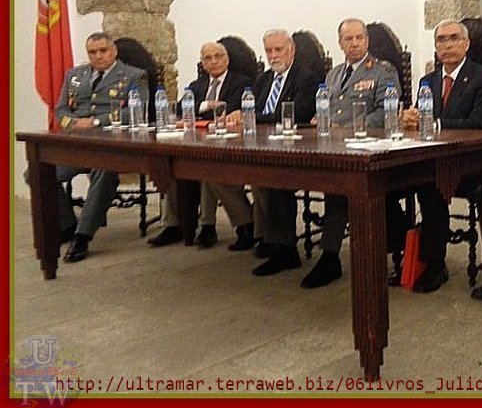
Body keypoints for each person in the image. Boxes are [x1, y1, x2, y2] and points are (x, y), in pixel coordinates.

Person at [394, 19, 482, 293]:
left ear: (466, 44)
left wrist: (434, 124)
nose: (447, 45)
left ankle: (434, 264)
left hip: (470, 161)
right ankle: (403, 248)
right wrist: (408, 119)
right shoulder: (427, 81)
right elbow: (420, 120)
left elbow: (479, 123)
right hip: (432, 158)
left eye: (454, 38)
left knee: (430, 186)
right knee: (390, 183)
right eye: (441, 40)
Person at [206, 29, 322, 274]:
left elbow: (297, 113)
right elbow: (253, 110)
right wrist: (240, 114)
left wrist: (253, 116)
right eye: (269, 50)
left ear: (291, 50)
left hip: (293, 147)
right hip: (259, 144)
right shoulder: (263, 79)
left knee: (273, 179)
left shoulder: (306, 78)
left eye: (278, 50)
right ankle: (263, 235)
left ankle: (283, 249)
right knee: (217, 169)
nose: (273, 55)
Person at [300, 18, 400, 289]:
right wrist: (319, 120)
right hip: (332, 147)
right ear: (340, 43)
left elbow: (387, 111)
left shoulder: (382, 71)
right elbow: (326, 107)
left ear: (367, 41)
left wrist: (348, 127)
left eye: (359, 38)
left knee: (339, 188)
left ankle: (330, 256)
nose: (354, 43)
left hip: (367, 148)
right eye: (348, 39)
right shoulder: (333, 74)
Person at [54, 32, 149, 263]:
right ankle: (67, 224)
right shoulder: (75, 75)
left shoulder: (134, 75)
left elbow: (136, 110)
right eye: (92, 52)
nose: (98, 56)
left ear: (114, 51)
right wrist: (73, 123)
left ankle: (82, 236)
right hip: (78, 145)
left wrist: (97, 122)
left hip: (113, 144)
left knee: (104, 171)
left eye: (103, 51)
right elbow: (61, 110)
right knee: (38, 172)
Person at [147, 41, 252, 248]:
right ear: (202, 63)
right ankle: (173, 225)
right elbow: (180, 109)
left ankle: (207, 225)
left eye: (218, 56)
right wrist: (205, 105)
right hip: (196, 141)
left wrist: (218, 111)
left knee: (205, 168)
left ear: (227, 59)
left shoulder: (241, 83)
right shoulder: (196, 86)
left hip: (227, 144)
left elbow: (235, 109)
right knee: (171, 166)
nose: (213, 62)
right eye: (207, 58)